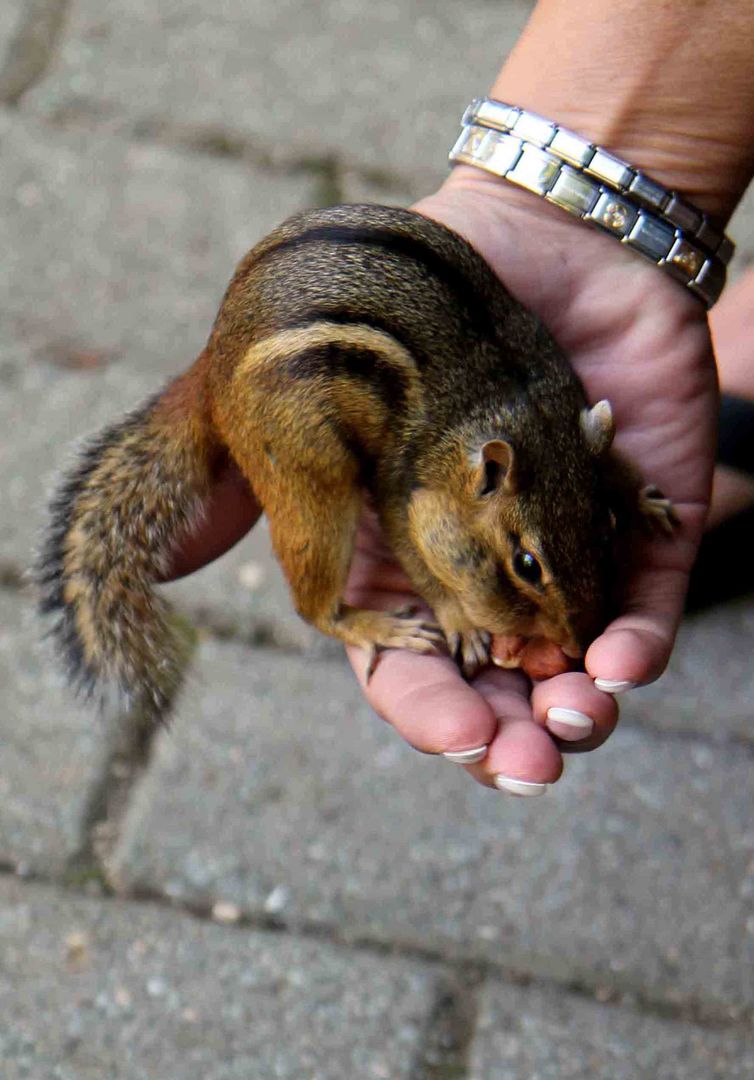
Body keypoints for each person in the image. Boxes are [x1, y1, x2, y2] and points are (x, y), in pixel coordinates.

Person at [164, 0, 754, 794]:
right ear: (487, 474)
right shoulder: (462, 472)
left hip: (408, 327)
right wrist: (455, 609)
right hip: (308, 369)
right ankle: (337, 612)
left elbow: (586, 457)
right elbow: (423, 526)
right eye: (525, 563)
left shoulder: (549, 435)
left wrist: (625, 496)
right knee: (318, 498)